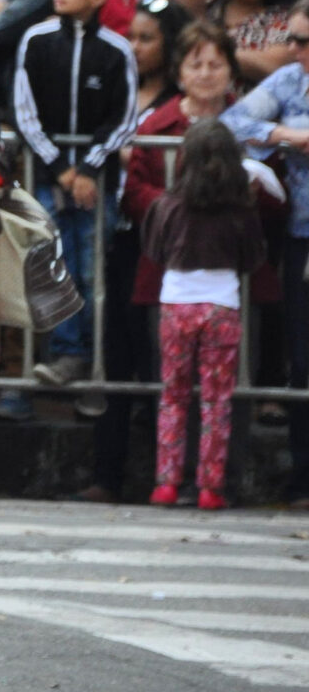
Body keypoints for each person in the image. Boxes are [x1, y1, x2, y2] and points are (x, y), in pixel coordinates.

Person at [86, 20, 232, 504]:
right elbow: (134, 194)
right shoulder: (157, 124)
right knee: (169, 381)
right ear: (180, 70)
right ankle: (166, 476)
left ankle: (212, 480)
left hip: (231, 278)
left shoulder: (245, 123)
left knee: (220, 388)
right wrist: (179, 208)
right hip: (166, 271)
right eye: (197, 64)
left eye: (216, 64)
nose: (207, 73)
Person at [12, 0, 138, 396]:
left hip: (96, 181)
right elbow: (25, 115)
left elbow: (123, 120)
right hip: (49, 177)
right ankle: (67, 355)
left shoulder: (117, 50)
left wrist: (89, 167)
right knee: (54, 266)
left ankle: (95, 364)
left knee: (92, 270)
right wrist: (62, 170)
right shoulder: (36, 39)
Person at [143, 119, 266, 512]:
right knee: (216, 401)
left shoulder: (166, 205)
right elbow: (254, 258)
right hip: (222, 306)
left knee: (173, 395)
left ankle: (166, 481)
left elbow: (154, 250)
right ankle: (211, 486)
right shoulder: (242, 212)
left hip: (176, 304)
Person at [221, 0, 309, 505]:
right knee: (302, 360)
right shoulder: (290, 81)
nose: (292, 50)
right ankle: (302, 476)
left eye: (302, 41)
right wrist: (283, 135)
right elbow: (233, 123)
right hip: (300, 237)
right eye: (290, 39)